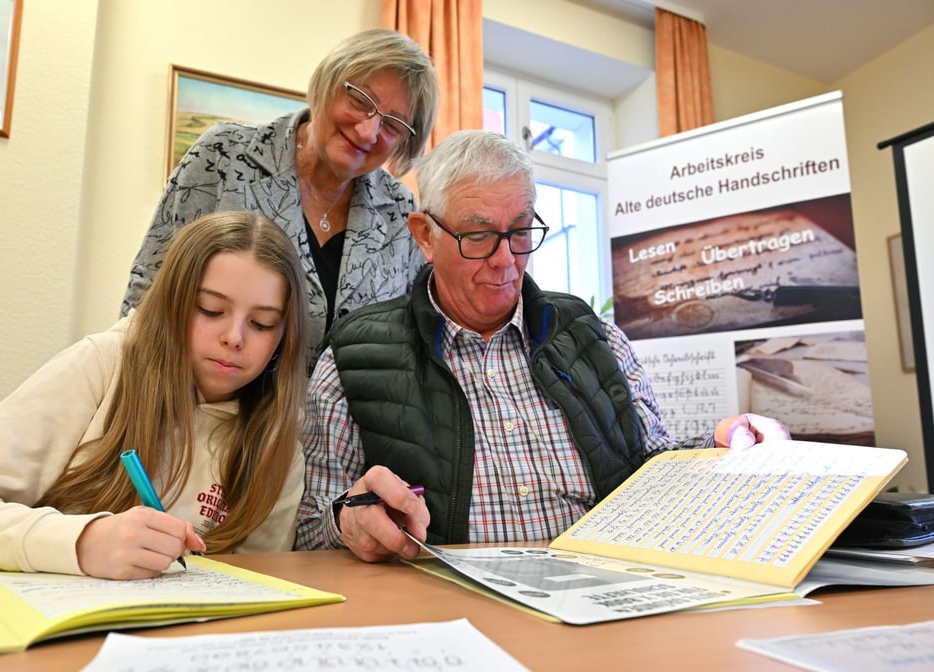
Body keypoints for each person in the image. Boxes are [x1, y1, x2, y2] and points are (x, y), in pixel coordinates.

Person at [295, 130, 790, 562]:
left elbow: (650, 469)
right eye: (479, 235)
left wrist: (720, 446)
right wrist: (348, 522)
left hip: (603, 600)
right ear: (426, 235)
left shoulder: (595, 338)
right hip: (450, 612)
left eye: (520, 231)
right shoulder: (354, 358)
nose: (506, 261)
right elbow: (311, 528)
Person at [0, 211, 309, 579]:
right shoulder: (103, 365)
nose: (234, 338)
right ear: (173, 302)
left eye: (262, 323)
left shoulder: (278, 437)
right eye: (209, 309)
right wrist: (82, 542)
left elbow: (262, 579)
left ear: (284, 336)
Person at [121, 28, 438, 370]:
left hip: (343, 423)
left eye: (393, 125)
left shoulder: (400, 211)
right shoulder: (224, 156)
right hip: (204, 414)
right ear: (328, 82)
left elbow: (409, 344)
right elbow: (147, 296)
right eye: (361, 101)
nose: (368, 130)